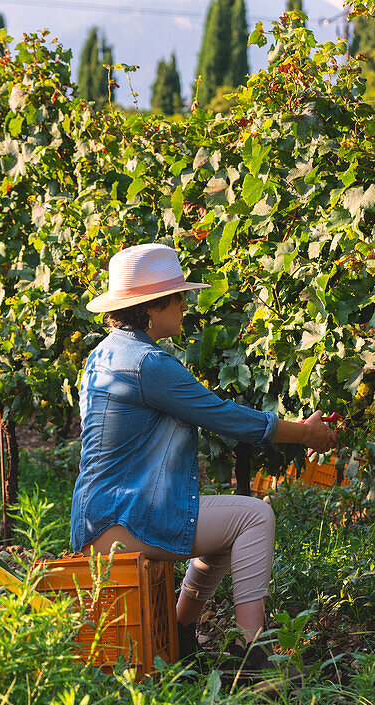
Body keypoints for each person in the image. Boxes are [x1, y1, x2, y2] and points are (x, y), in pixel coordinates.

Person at [71, 243, 337, 676]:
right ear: (151, 307)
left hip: (98, 516)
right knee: (253, 517)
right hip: (122, 520)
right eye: (178, 297)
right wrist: (305, 432)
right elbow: (227, 418)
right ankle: (256, 656)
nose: (184, 305)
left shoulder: (105, 353)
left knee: (222, 528)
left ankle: (180, 636)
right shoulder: (148, 364)